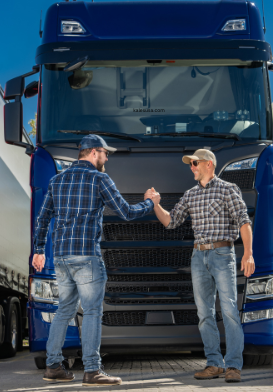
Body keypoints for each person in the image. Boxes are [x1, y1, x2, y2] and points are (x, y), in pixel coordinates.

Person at [32, 134, 160, 386]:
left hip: (61, 257)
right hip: (86, 256)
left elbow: (43, 218)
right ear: (93, 153)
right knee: (91, 312)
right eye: (105, 153)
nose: (107, 157)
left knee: (64, 311)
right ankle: (92, 370)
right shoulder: (99, 179)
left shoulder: (56, 181)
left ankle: (53, 366)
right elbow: (125, 212)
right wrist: (149, 203)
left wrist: (38, 249)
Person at [152, 149, 255, 383]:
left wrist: (248, 253)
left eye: (195, 163)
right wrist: (156, 204)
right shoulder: (190, 195)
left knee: (228, 309)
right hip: (198, 257)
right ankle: (214, 364)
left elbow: (244, 221)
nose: (191, 167)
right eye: (190, 164)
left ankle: (233, 366)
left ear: (209, 164)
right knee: (204, 313)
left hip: (222, 253)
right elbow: (171, 221)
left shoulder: (228, 189)